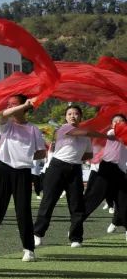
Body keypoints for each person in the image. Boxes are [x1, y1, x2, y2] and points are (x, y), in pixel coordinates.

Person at [0, 95, 47, 262]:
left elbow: (41, 152)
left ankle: (29, 249)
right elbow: (2, 114)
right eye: (9, 104)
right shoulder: (6, 124)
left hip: (23, 171)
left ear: (25, 107)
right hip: (3, 169)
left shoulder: (33, 129)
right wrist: (23, 105)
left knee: (23, 210)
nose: (10, 107)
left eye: (14, 104)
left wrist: (23, 156)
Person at [34, 105, 104, 247]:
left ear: (80, 117)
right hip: (57, 168)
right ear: (66, 117)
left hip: (75, 169)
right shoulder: (63, 129)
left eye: (76, 114)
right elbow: (85, 132)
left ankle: (76, 238)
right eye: (70, 114)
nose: (73, 116)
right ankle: (38, 234)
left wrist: (75, 158)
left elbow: (89, 155)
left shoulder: (85, 137)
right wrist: (107, 136)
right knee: (48, 202)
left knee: (77, 205)